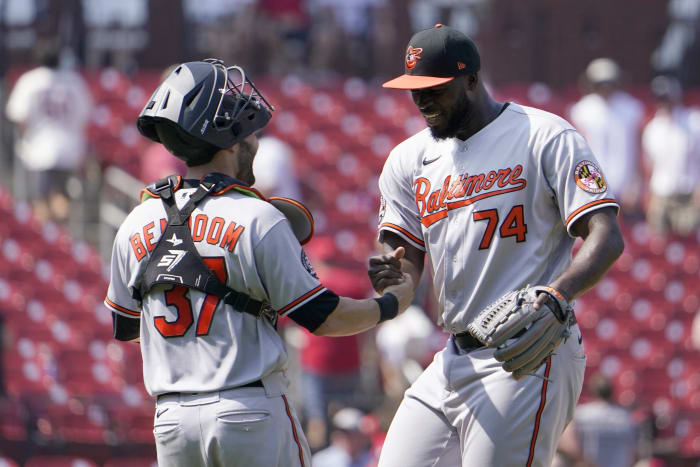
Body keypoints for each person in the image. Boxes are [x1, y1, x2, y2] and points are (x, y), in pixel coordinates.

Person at [103, 58, 414, 467]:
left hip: (172, 422)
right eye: (250, 132)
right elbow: (325, 318)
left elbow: (126, 328)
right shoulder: (257, 216)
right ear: (232, 141)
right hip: (247, 409)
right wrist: (392, 303)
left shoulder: (135, 221)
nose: (256, 141)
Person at [368, 25, 624, 467]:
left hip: (526, 353)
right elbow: (404, 265)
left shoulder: (544, 135)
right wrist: (396, 281)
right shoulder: (408, 159)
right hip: (450, 356)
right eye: (415, 90)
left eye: (435, 88)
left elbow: (606, 235)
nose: (423, 100)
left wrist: (558, 293)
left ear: (471, 79)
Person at [5, 43, 93, 223]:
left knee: (41, 200)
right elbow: (85, 115)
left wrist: (27, 134)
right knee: (60, 197)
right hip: (69, 148)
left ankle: (49, 239)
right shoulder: (74, 81)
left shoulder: (31, 80)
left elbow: (18, 115)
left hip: (40, 149)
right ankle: (62, 238)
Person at [569, 58, 644, 213]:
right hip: (594, 184)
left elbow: (637, 150)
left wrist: (635, 184)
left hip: (625, 183)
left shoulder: (632, 108)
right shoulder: (581, 110)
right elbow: (578, 152)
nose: (605, 88)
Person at [641, 75, 700, 236]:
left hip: (688, 194)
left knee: (688, 243)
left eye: (666, 97)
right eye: (660, 98)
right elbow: (650, 165)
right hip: (661, 194)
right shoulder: (653, 128)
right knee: (659, 243)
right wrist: (650, 197)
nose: (663, 102)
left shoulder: (693, 121)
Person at [557, 375, 639, 467]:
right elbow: (635, 452)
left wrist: (584, 461)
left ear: (593, 391)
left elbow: (568, 444)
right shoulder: (626, 416)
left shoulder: (581, 414)